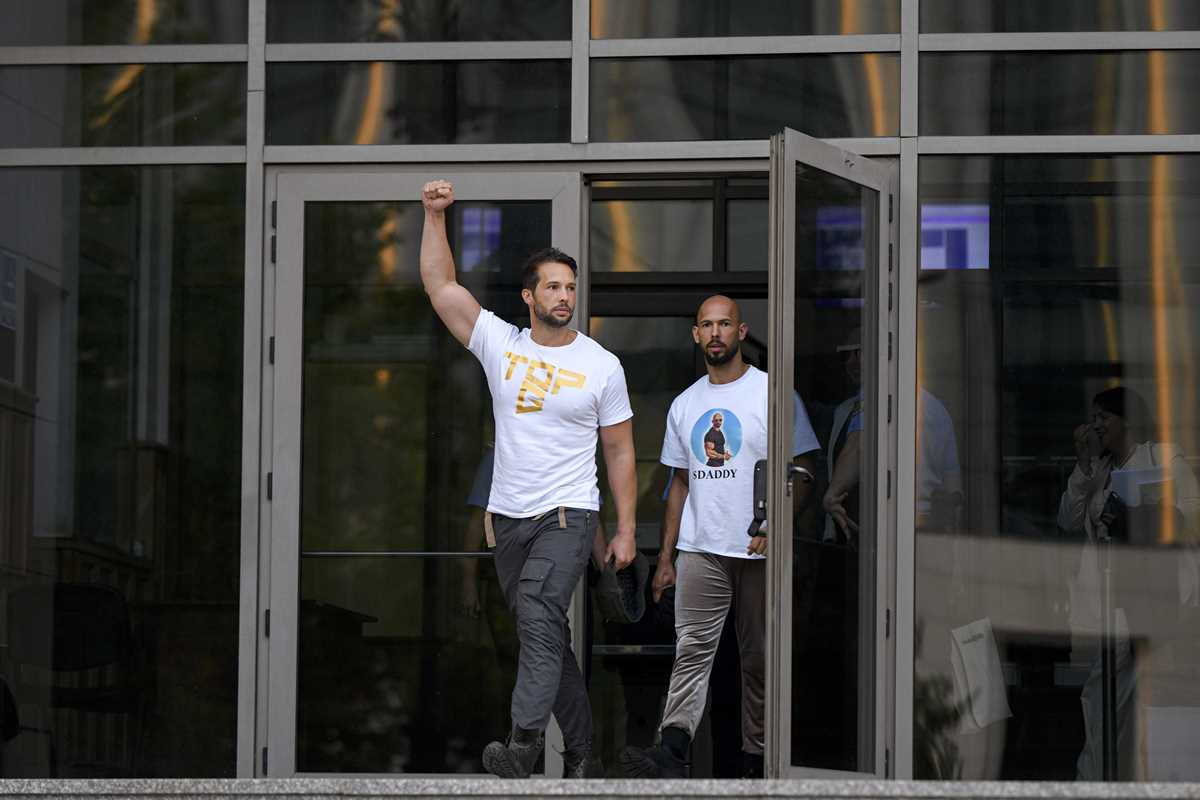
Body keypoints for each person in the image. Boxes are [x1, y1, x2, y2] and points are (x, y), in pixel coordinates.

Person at [419, 179, 638, 779]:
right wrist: (434, 217)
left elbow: (620, 451)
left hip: (568, 516)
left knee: (540, 612)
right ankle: (585, 754)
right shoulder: (503, 345)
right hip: (509, 521)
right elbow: (441, 287)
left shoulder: (601, 364)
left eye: (570, 287)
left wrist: (625, 529)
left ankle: (523, 744)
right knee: (543, 635)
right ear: (529, 295)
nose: (564, 296)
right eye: (553, 287)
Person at [618, 295, 820, 779]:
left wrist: (775, 525)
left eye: (724, 324)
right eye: (706, 325)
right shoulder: (686, 404)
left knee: (759, 659)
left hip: (758, 548)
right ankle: (672, 749)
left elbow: (803, 471)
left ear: (741, 331)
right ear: (696, 334)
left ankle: (758, 760)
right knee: (691, 649)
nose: (715, 333)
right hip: (701, 548)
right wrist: (665, 558)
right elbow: (679, 484)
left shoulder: (773, 393)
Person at [1057, 385, 1200, 780]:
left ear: (1127, 421)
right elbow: (1068, 520)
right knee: (1115, 703)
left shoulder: (1163, 458)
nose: (1095, 426)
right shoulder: (1098, 470)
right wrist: (1083, 465)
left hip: (1154, 598)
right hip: (1110, 599)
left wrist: (1140, 513)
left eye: (1104, 417)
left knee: (1108, 700)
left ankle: (1096, 780)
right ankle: (1114, 778)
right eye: (1093, 418)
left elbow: (1192, 514)